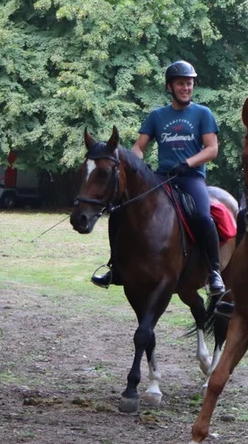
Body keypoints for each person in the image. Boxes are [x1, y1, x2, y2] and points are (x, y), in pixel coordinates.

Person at [91, 60, 226, 295]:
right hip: (161, 178)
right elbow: (139, 147)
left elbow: (212, 149)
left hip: (190, 178)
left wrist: (187, 163)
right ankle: (116, 268)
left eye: (189, 83)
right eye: (181, 83)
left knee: (204, 217)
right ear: (169, 87)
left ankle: (214, 272)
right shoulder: (157, 116)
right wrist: (135, 167)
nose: (186, 88)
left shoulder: (203, 114)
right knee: (118, 213)